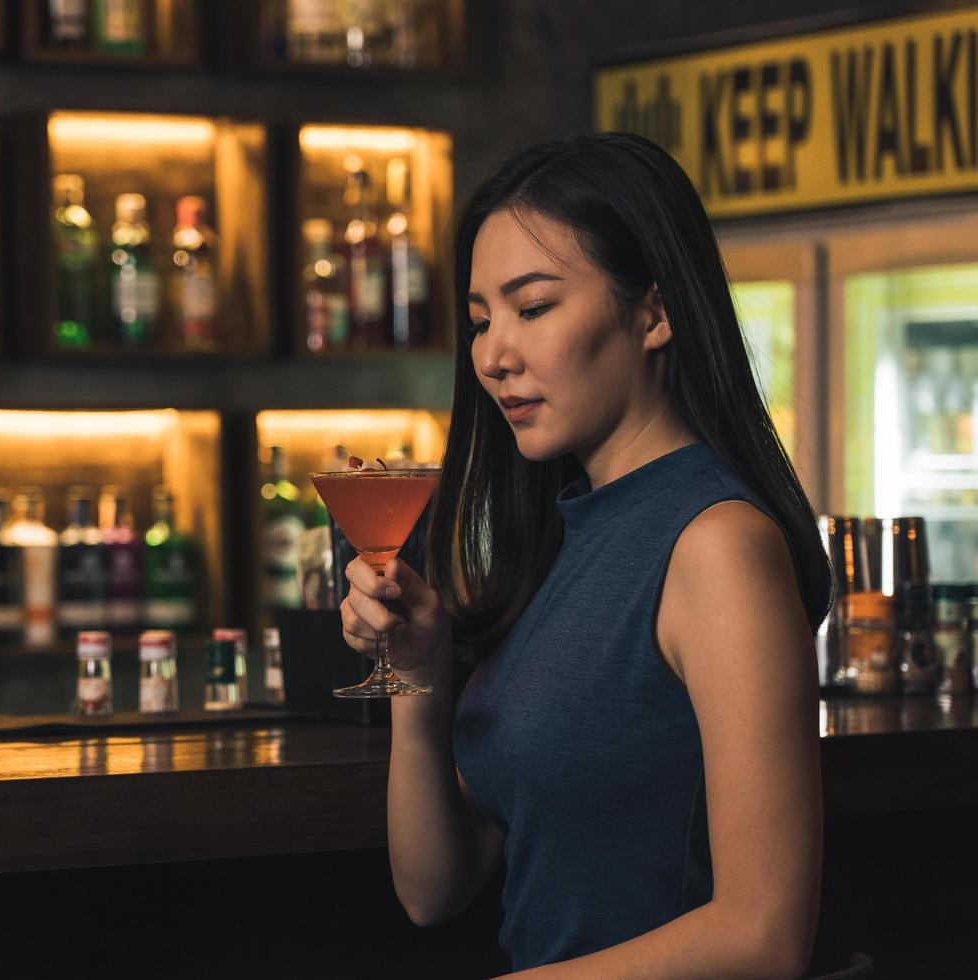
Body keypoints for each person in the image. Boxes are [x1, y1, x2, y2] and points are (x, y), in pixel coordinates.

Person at [339, 132, 832, 978]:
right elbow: (432, 889)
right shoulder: (562, 540)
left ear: (654, 310)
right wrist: (416, 677)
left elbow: (764, 936)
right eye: (481, 320)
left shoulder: (716, 546)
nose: (494, 356)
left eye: (533, 308)